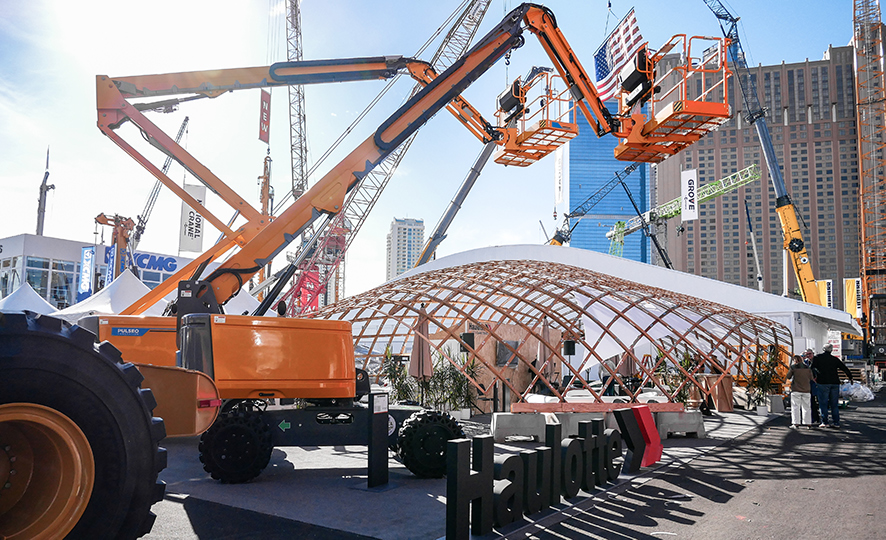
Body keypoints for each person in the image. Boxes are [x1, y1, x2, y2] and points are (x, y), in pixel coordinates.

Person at [811, 344, 854, 428]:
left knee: (823, 403)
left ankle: (825, 422)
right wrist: (850, 377)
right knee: (834, 404)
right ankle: (836, 422)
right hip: (835, 383)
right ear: (831, 350)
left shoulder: (817, 358)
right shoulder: (834, 359)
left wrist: (814, 377)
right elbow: (844, 368)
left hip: (822, 382)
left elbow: (811, 368)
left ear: (823, 349)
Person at [786, 354, 814, 428]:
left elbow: (788, 376)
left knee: (795, 407)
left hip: (796, 389)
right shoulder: (807, 367)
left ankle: (796, 423)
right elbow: (811, 378)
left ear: (795, 360)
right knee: (807, 407)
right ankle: (808, 423)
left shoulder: (793, 367)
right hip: (806, 389)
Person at [803, 349, 820, 424]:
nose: (808, 356)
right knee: (811, 402)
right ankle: (813, 418)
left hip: (817, 384)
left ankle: (819, 418)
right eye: (807, 354)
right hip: (808, 385)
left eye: (810, 354)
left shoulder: (817, 361)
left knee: (820, 402)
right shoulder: (805, 363)